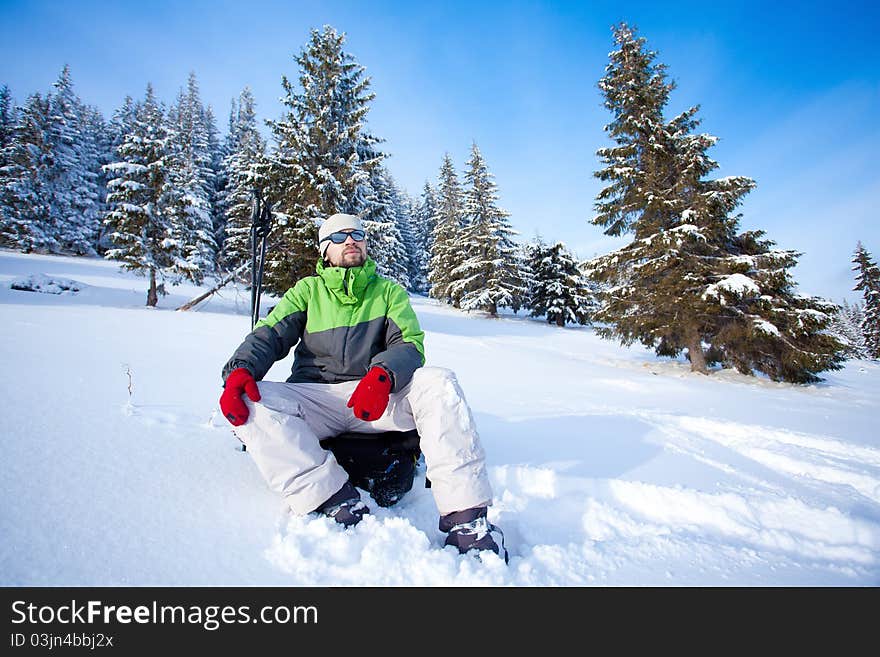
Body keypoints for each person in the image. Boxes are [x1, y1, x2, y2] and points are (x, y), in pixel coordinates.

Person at [219, 213, 503, 558]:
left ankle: (467, 520)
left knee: (439, 382)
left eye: (356, 234)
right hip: (318, 399)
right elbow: (268, 335)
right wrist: (241, 370)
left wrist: (382, 375)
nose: (350, 240)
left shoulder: (388, 292)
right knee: (252, 401)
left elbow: (409, 345)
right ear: (325, 250)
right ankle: (330, 498)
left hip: (375, 399)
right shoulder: (307, 292)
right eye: (338, 237)